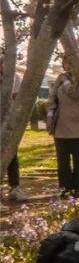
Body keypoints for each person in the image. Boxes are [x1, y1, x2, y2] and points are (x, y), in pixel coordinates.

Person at [46, 61, 79, 197]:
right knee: (62, 159)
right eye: (66, 62)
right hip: (61, 124)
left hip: (78, 123)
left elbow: (76, 94)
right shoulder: (60, 77)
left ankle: (78, 186)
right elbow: (52, 97)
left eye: (71, 61)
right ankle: (65, 186)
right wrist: (50, 114)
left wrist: (66, 82)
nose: (69, 65)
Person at [5, 61, 28, 203]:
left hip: (7, 121)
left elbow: (17, 99)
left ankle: (14, 187)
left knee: (11, 154)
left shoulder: (15, 78)